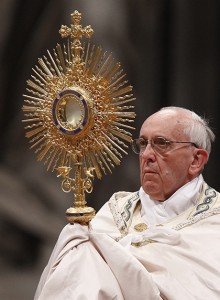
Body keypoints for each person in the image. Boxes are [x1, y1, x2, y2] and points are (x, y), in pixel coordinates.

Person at [35, 106, 220, 300]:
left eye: (161, 143)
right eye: (142, 143)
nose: (147, 155)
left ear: (196, 160)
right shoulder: (114, 211)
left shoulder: (215, 223)